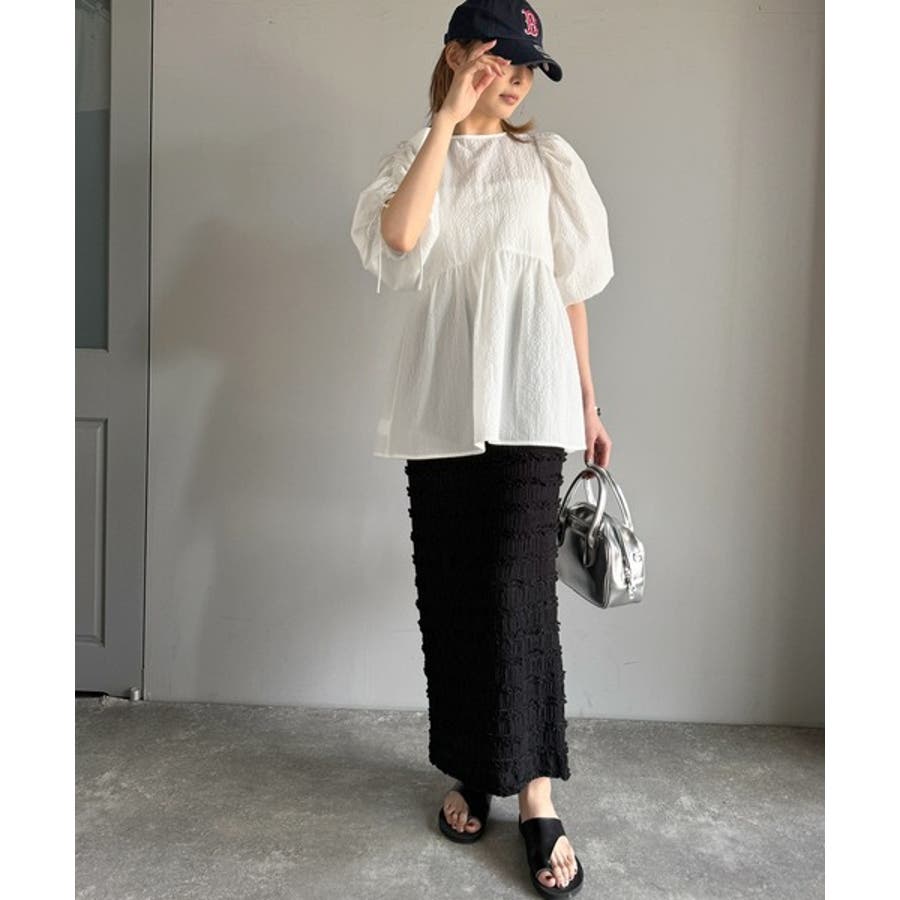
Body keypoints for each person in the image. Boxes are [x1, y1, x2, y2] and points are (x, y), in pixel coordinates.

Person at [350, 2, 615, 895]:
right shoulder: (415, 157)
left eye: (526, 69)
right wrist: (446, 121)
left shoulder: (547, 163)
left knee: (517, 594)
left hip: (532, 403)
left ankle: (536, 793)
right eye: (499, 61)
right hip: (441, 409)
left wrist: (589, 400)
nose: (514, 80)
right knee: (455, 592)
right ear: (458, 54)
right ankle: (473, 765)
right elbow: (400, 239)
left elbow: (570, 289)